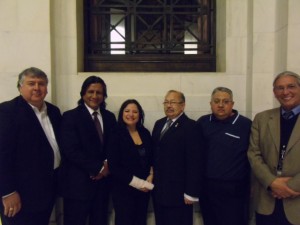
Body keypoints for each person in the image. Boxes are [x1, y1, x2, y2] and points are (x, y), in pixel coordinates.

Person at [0, 67, 62, 225]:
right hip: (20, 193)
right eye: (31, 83)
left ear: (46, 88)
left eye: (41, 84)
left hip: (48, 188)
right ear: (20, 87)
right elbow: (3, 154)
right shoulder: (7, 111)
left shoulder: (53, 112)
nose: (37, 88)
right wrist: (8, 192)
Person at [59, 76, 117, 225]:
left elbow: (113, 146)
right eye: (91, 91)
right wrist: (98, 168)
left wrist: (106, 166)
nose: (95, 96)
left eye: (99, 92)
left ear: (104, 96)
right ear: (83, 94)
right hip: (77, 187)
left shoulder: (110, 117)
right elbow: (70, 150)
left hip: (102, 187)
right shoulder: (70, 116)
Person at [248, 71, 300, 225]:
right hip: (266, 200)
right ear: (274, 92)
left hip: (296, 200)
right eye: (280, 88)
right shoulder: (262, 119)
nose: (286, 92)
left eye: (291, 86)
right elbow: (253, 154)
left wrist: (288, 187)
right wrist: (272, 183)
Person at [196, 87, 252, 225]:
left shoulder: (246, 125)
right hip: (207, 189)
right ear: (211, 104)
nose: (221, 105)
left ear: (232, 104)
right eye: (217, 101)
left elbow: (253, 156)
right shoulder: (202, 123)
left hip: (234, 191)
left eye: (225, 101)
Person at [152, 90, 201, 225]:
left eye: (173, 102)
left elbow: (195, 162)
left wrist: (191, 192)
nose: (169, 105)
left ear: (183, 105)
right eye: (166, 102)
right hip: (159, 190)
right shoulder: (159, 124)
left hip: (179, 193)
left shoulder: (191, 126)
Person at [107, 99, 154, 225]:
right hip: (123, 190)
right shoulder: (115, 134)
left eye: (135, 112)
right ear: (122, 113)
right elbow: (114, 166)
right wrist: (138, 184)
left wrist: (151, 175)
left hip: (144, 190)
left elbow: (151, 158)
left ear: (140, 115)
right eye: (127, 111)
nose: (131, 114)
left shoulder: (145, 133)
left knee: (140, 220)